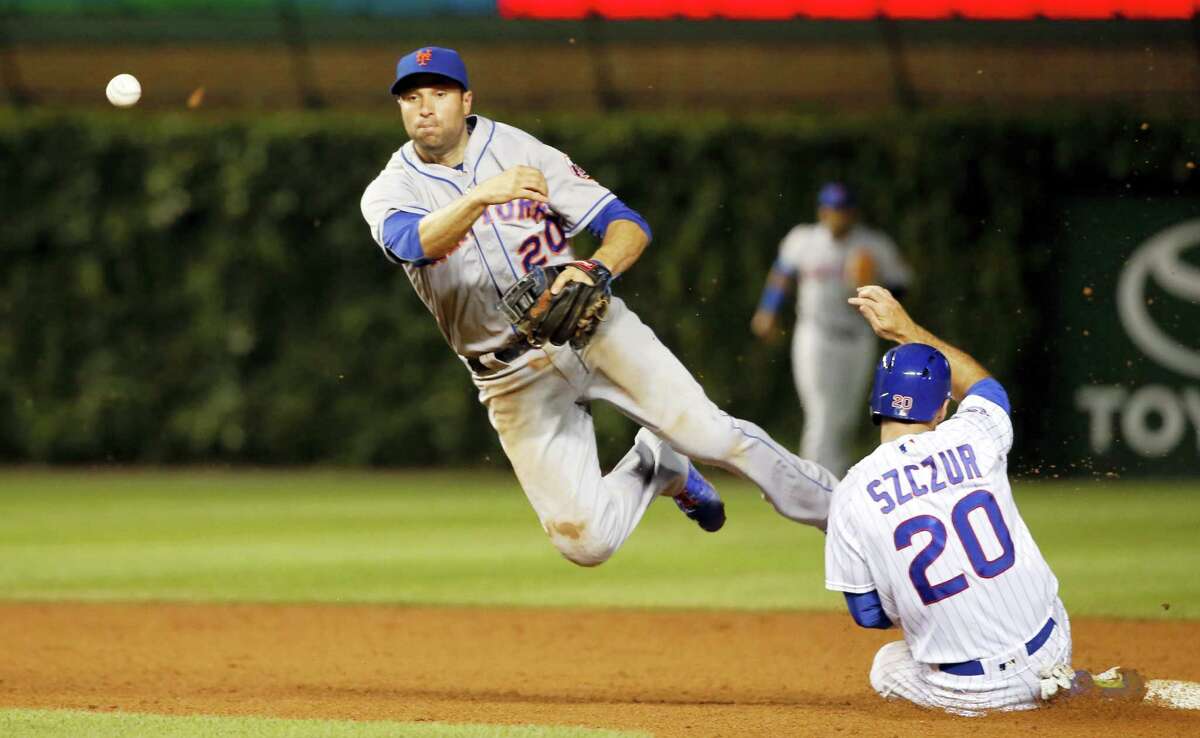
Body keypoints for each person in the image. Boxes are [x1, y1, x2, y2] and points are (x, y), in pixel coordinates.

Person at [359, 46, 837, 567]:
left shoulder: (521, 150)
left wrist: (595, 268)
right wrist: (478, 198)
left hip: (592, 329)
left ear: (466, 99)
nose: (424, 107)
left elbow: (625, 222)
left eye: (439, 93)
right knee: (585, 543)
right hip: (507, 375)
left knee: (715, 437)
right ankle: (657, 466)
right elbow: (411, 242)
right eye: (411, 97)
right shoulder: (391, 188)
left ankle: (846, 515)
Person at [823, 285, 1141, 715]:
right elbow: (986, 389)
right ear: (942, 409)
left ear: (876, 403)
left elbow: (867, 614)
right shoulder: (973, 436)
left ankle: (1009, 701)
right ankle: (1059, 681)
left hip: (973, 692)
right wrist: (907, 330)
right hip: (1054, 646)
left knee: (887, 664)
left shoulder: (852, 491)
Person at [751, 184, 913, 477]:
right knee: (821, 411)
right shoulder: (804, 239)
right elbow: (782, 274)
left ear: (852, 213)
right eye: (830, 209)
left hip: (858, 337)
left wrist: (875, 287)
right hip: (815, 333)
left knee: (845, 417)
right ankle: (811, 480)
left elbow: (901, 286)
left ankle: (834, 481)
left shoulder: (872, 245)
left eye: (841, 210)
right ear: (822, 211)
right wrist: (767, 311)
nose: (835, 215)